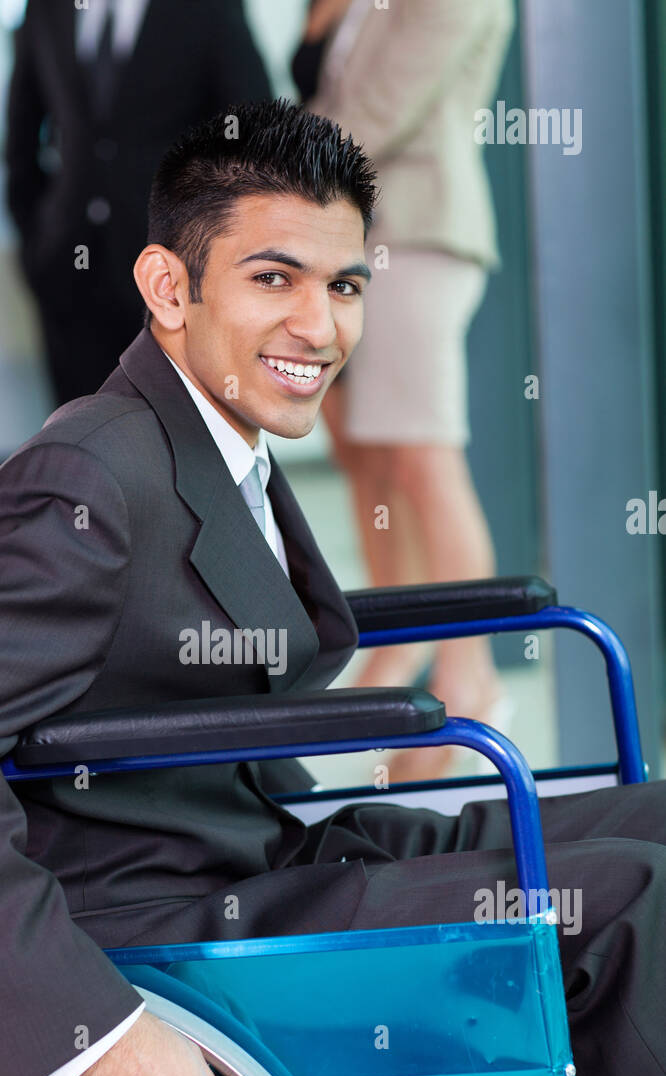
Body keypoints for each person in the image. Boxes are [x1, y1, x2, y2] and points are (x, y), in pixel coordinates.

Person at [0, 98, 666, 1076]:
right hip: (173, 931)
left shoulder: (217, 440)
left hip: (259, 857)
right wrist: (94, 1030)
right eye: (274, 278)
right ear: (170, 289)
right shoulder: (90, 475)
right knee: (622, 899)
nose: (318, 325)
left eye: (346, 285)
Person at [297, 0, 516, 782]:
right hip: (356, 241)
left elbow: (371, 119)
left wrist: (264, 169)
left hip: (418, 234)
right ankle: (398, 651)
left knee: (424, 458)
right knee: (374, 457)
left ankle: (473, 680)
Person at [4, 0, 271, 405]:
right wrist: (36, 241)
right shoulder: (46, 8)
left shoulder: (209, 9)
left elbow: (253, 135)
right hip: (68, 269)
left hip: (176, 271)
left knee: (177, 439)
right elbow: (20, 133)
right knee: (78, 438)